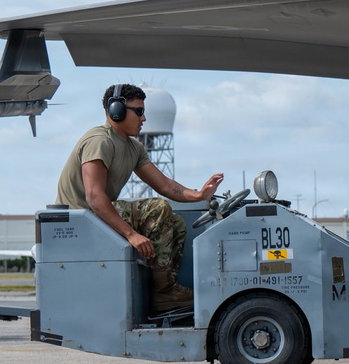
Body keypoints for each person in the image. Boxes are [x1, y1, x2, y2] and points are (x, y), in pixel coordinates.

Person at [55, 83, 224, 313]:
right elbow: (94, 197)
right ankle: (164, 291)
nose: (143, 118)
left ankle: (165, 290)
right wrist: (131, 234)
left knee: (176, 223)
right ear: (116, 111)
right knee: (157, 209)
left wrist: (200, 195)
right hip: (79, 221)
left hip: (96, 217)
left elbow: (164, 185)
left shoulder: (133, 147)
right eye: (139, 111)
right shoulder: (100, 141)